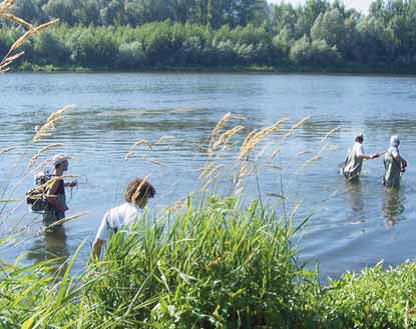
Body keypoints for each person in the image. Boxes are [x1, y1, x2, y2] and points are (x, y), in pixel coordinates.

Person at [92, 177, 156, 260]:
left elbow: (97, 244)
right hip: (135, 263)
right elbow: (147, 246)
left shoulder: (111, 213)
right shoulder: (142, 215)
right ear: (143, 197)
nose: (147, 202)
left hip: (111, 264)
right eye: (147, 198)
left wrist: (96, 268)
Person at [43, 154, 77, 229]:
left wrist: (68, 184)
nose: (68, 163)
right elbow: (49, 196)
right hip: (54, 216)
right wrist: (61, 207)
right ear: (61, 164)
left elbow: (54, 187)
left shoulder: (53, 176)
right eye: (66, 161)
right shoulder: (57, 179)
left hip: (50, 214)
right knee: (54, 233)